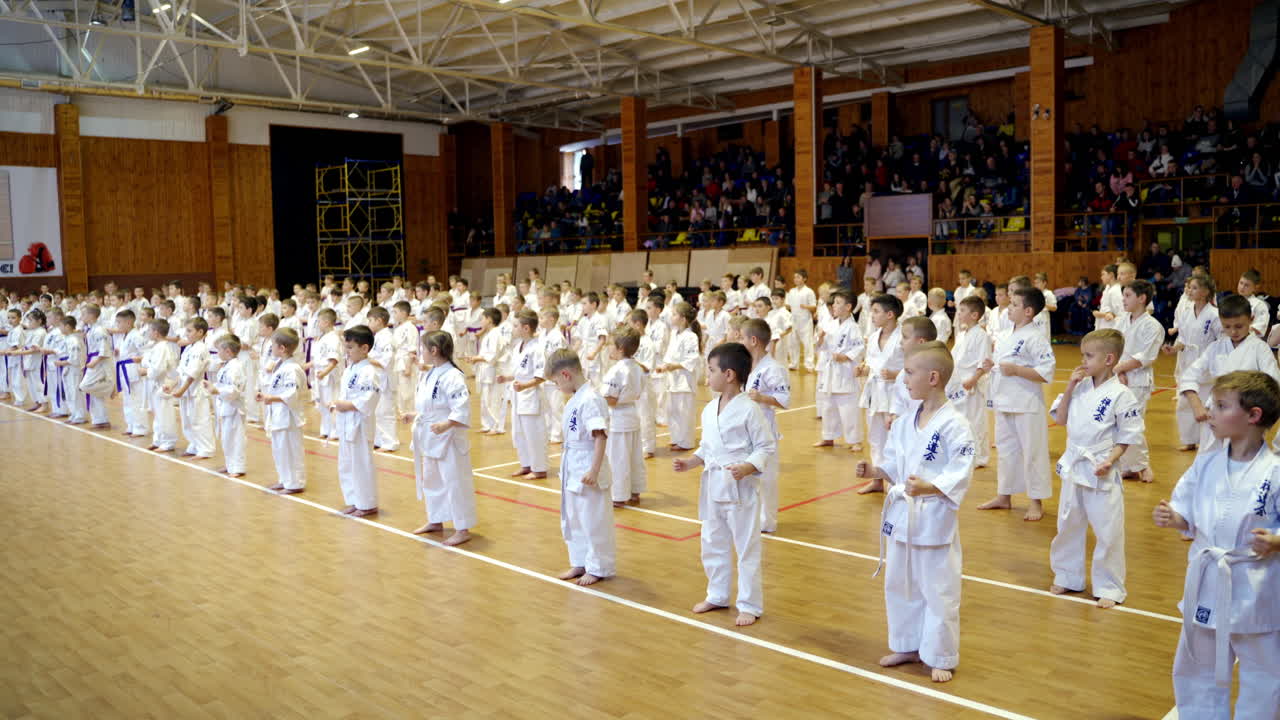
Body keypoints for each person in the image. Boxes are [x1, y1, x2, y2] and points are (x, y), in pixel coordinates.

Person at [1154, 371, 1280, 718]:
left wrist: (1277, 541)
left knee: (1264, 672)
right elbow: (1189, 511)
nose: (1209, 411)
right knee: (1196, 665)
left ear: (1253, 415)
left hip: (1257, 584)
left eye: (1221, 406)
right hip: (1208, 576)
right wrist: (1175, 518)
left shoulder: (1275, 471)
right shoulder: (1206, 462)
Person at [855, 341, 975, 682]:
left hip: (934, 516)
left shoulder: (955, 425)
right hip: (903, 515)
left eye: (909, 373)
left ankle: (940, 654)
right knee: (900, 583)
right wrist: (875, 471)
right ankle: (907, 644)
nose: (903, 379)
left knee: (938, 589)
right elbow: (893, 463)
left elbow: (961, 469)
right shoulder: (907, 420)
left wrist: (930, 486)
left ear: (933, 377)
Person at [674, 342, 776, 627]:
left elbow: (765, 447)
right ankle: (717, 594)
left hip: (740, 487)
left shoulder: (749, 410)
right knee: (712, 542)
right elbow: (708, 448)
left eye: (711, 370)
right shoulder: (709, 409)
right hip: (713, 485)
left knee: (746, 548)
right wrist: (691, 462)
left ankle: (749, 604)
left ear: (729, 374)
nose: (707, 376)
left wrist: (748, 466)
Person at [1048, 329, 1144, 608]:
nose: (1083, 361)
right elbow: (1061, 419)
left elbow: (1127, 437)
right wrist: (1068, 387)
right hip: (1074, 465)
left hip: (1101, 468)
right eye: (1083, 355)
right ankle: (1067, 576)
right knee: (1067, 523)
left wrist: (1110, 460)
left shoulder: (1121, 395)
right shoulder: (1079, 387)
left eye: (1089, 356)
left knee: (1108, 530)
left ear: (1109, 359)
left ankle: (1109, 586)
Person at [977, 287, 1055, 521]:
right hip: (1004, 399)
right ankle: (1004, 495)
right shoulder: (1006, 333)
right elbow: (1004, 364)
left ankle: (1036, 501)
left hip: (1026, 402)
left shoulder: (1035, 337)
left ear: (1029, 311)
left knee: (1033, 452)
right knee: (1006, 451)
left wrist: (1018, 370)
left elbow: (1046, 372)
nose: (1009, 308)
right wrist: (994, 365)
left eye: (1014, 305)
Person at [1176, 294, 1280, 453]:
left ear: (1251, 319)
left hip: (1247, 418)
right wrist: (1195, 403)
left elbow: (1273, 384)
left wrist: (1259, 416)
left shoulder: (1260, 349)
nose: (1233, 331)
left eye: (1239, 326)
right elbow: (1189, 375)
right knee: (1208, 463)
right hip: (1215, 416)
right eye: (1227, 327)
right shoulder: (1215, 348)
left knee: (1242, 465)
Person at [547, 349, 616, 586]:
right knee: (573, 517)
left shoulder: (591, 399)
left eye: (556, 382)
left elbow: (600, 436)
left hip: (588, 463)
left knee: (593, 519)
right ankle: (580, 561)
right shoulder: (578, 398)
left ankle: (598, 566)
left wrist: (594, 470)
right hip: (573, 464)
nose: (557, 387)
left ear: (566, 374)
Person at [404, 330, 476, 546]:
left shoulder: (453, 376)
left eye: (423, 348)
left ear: (433, 351)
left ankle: (462, 528)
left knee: (454, 482)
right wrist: (415, 415)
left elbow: (460, 407)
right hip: (430, 433)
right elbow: (431, 406)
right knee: (432, 479)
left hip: (449, 436)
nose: (421, 352)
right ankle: (435, 520)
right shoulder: (431, 372)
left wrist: (447, 423)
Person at [1112, 279, 1164, 483]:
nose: (1123, 300)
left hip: (1138, 380)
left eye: (1127, 296)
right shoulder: (1121, 321)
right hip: (1119, 377)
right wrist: (1118, 369)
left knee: (1132, 422)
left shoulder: (1153, 326)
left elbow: (1147, 356)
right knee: (1118, 423)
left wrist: (1120, 367)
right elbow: (1114, 345)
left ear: (1141, 299)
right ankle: (1129, 466)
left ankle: (1142, 465)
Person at [743, 319, 790, 534]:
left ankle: (767, 521)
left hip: (765, 431)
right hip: (745, 430)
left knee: (767, 479)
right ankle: (749, 518)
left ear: (753, 340)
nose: (739, 341)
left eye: (742, 337)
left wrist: (761, 397)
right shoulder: (745, 365)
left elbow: (784, 400)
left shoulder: (773, 368)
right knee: (747, 477)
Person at [1165, 274, 1220, 452]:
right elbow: (1182, 338)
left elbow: (1221, 342)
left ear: (1205, 292)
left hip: (1207, 365)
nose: (1189, 290)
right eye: (1188, 287)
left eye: (1194, 288)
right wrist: (1173, 349)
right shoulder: (1187, 312)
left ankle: (1208, 441)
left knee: (1205, 404)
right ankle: (1189, 439)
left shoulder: (1214, 315)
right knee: (1184, 403)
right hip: (1188, 361)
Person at [330, 325, 381, 516]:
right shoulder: (350, 368)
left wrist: (346, 405)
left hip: (359, 423)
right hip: (346, 422)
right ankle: (353, 499)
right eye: (346, 347)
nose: (347, 351)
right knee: (346, 463)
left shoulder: (369, 371)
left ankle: (367, 504)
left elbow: (369, 399)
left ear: (365, 348)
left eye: (350, 347)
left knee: (361, 463)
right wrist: (337, 405)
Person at [858, 294, 905, 476]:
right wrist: (863, 369)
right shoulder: (873, 336)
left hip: (896, 393)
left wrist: (896, 374)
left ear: (890, 314)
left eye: (876, 311)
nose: (872, 315)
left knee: (894, 437)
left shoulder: (904, 337)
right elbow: (871, 363)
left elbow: (915, 367)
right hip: (875, 392)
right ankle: (877, 477)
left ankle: (896, 477)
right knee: (875, 437)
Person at [259, 328, 308, 493]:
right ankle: (285, 479)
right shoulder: (281, 365)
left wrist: (270, 398)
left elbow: (291, 394)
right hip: (278, 414)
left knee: (291, 450)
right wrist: (267, 396)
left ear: (282, 348)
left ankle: (295, 483)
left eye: (273, 345)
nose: (271, 348)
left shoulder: (292, 369)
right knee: (280, 450)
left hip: (289, 417)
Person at [814, 290, 863, 453]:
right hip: (830, 370)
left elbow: (859, 347)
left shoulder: (853, 327)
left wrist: (846, 356)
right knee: (828, 407)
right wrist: (820, 339)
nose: (833, 306)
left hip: (845, 370)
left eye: (838, 303)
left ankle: (855, 440)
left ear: (848, 307)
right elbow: (821, 347)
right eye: (834, 303)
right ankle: (828, 436)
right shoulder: (831, 324)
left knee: (848, 408)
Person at [500, 310, 547, 480]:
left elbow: (542, 375)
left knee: (533, 433)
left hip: (530, 394)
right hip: (518, 393)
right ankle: (526, 464)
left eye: (516, 325)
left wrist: (525, 385)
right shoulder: (518, 346)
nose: (514, 328)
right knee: (519, 433)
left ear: (526, 328)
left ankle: (539, 468)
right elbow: (519, 373)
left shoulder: (537, 348)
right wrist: (507, 377)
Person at [603, 327, 646, 508]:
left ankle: (618, 495)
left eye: (611, 345)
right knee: (634, 457)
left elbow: (610, 399)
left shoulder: (616, 370)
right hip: (632, 415)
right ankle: (635, 491)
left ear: (620, 348)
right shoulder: (637, 367)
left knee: (618, 459)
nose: (608, 348)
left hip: (618, 419)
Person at [947, 296, 991, 469]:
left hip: (972, 385)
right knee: (961, 421)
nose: (958, 313)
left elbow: (984, 362)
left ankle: (979, 457)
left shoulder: (982, 336)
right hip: (959, 384)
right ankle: (963, 453)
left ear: (974, 315)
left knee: (975, 421)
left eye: (962, 310)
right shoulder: (962, 334)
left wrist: (973, 379)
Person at [169, 317, 215, 460]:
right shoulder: (189, 348)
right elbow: (182, 371)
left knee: (199, 419)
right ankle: (194, 444)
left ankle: (206, 448)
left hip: (196, 389)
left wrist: (182, 389)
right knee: (187, 419)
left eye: (189, 331)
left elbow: (193, 373)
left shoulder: (201, 349)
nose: (186, 333)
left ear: (200, 332)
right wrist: (173, 384)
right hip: (185, 387)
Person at [659, 302, 701, 451]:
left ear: (683, 319)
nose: (672, 316)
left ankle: (686, 442)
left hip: (685, 380)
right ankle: (676, 438)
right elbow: (670, 356)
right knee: (672, 411)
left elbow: (692, 359)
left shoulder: (691, 336)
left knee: (684, 412)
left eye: (674, 314)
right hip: (672, 379)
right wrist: (664, 366)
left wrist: (674, 366)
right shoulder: (674, 334)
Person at [205, 334, 248, 478]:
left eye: (219, 350)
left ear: (228, 351)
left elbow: (234, 390)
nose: (217, 353)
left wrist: (217, 390)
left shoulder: (236, 367)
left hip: (234, 408)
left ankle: (238, 467)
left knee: (235, 437)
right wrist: (213, 386)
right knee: (226, 437)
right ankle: (230, 464)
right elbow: (224, 385)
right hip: (225, 406)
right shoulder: (227, 366)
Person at [139, 319, 179, 451]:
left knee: (164, 413)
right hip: (154, 384)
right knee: (157, 414)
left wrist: (145, 371)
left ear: (156, 333)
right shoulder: (156, 346)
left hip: (163, 385)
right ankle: (158, 440)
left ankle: (168, 442)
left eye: (150, 330)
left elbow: (158, 369)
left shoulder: (162, 347)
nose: (148, 333)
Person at [113, 309, 149, 437]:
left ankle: (140, 428)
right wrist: (118, 353)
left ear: (128, 322)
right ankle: (131, 425)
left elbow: (146, 353)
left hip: (134, 369)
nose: (117, 325)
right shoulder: (124, 336)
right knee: (127, 399)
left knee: (137, 399)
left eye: (119, 322)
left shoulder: (136, 335)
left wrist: (140, 362)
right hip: (124, 369)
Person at [307, 309, 342, 440]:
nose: (318, 324)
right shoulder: (322, 337)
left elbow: (334, 360)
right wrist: (307, 366)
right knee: (322, 403)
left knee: (330, 402)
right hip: (320, 372)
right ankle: (325, 429)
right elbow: (317, 358)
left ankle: (335, 431)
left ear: (327, 322)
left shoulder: (333, 338)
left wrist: (325, 372)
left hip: (329, 374)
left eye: (319, 321)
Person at [79, 304, 114, 429]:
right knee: (94, 394)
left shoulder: (99, 330)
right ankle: (100, 420)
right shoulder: (90, 329)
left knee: (84, 386)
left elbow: (104, 349)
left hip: (99, 361)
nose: (81, 317)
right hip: (92, 359)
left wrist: (94, 361)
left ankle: (110, 388)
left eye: (83, 314)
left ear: (91, 315)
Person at [470, 308, 504, 434]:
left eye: (483, 318)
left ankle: (495, 426)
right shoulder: (489, 334)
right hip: (485, 370)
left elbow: (493, 355)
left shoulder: (495, 334)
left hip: (492, 370)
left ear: (489, 320)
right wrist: (476, 359)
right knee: (485, 400)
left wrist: (477, 358)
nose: (481, 321)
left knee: (492, 399)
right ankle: (487, 425)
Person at [785, 270, 818, 372]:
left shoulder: (809, 291)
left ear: (804, 278)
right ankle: (794, 364)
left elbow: (814, 307)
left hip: (805, 320)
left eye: (798, 277)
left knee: (808, 343)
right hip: (794, 320)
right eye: (795, 277)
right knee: (793, 342)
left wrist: (805, 306)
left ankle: (809, 365)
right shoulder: (791, 291)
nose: (796, 279)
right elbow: (788, 305)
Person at [1236, 269, 1269, 338]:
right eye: (1241, 283)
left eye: (1246, 285)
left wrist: (1237, 331)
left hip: (1250, 341)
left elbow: (1259, 328)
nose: (1242, 287)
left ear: (1255, 288)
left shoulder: (1259, 305)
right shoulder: (1231, 302)